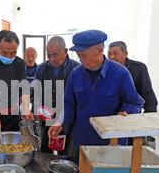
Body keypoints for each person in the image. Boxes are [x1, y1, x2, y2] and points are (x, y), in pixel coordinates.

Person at [48, 30, 145, 158]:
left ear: (100, 50)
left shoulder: (121, 73)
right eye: (79, 56)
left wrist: (126, 112)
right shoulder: (75, 74)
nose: (81, 60)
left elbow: (134, 102)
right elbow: (69, 104)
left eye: (84, 56)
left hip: (110, 142)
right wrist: (59, 123)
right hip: (81, 139)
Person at [35, 36, 80, 155]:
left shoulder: (77, 69)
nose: (51, 59)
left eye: (55, 55)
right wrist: (39, 108)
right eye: (48, 55)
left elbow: (79, 99)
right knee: (44, 153)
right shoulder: (41, 68)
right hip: (46, 120)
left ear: (65, 52)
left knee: (66, 155)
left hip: (68, 121)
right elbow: (35, 93)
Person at [108, 41, 158, 112]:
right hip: (110, 113)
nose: (111, 57)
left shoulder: (139, 68)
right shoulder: (106, 68)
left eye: (116, 54)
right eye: (109, 54)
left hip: (130, 112)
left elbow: (148, 95)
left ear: (125, 54)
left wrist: (149, 117)